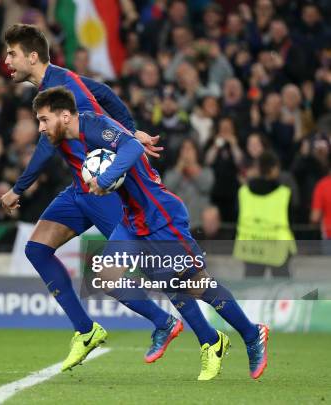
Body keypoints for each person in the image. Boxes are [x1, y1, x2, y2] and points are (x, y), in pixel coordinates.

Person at [32, 86, 269, 380]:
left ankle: (250, 334)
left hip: (160, 217)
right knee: (105, 276)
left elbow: (131, 146)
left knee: (196, 285)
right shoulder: (78, 134)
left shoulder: (94, 127)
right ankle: (170, 325)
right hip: (132, 222)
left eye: (44, 119)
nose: (40, 127)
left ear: (64, 116)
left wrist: (105, 178)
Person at [0, 24, 184, 370]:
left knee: (149, 265)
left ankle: (197, 329)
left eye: (12, 53)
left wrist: (18, 188)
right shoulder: (61, 81)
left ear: (32, 56)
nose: (6, 60)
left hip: (103, 190)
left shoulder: (63, 89)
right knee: (36, 249)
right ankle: (86, 331)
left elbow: (47, 144)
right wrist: (130, 127)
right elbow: (106, 93)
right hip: (79, 190)